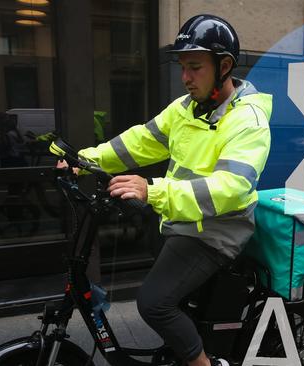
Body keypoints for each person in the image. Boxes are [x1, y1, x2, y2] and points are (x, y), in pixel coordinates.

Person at [58, 14, 271, 366]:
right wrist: (85, 159)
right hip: (184, 221)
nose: (185, 77)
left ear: (224, 66)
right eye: (183, 67)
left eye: (195, 67)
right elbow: (140, 142)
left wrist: (153, 191)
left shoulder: (247, 121)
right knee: (175, 298)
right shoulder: (186, 110)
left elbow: (232, 188)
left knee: (154, 302)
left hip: (218, 231)